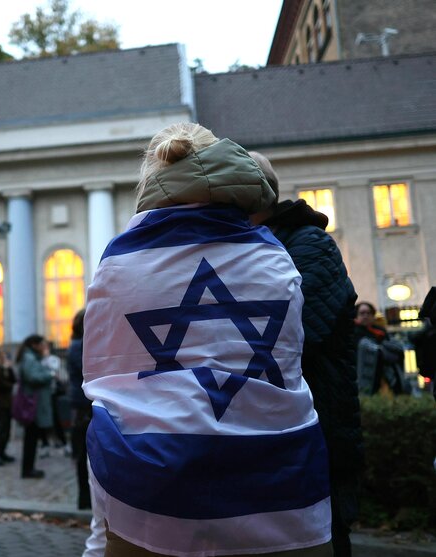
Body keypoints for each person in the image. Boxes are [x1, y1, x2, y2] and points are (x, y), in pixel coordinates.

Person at [83, 123, 332, 556]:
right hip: (281, 490)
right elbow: (285, 366)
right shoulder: (272, 255)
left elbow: (107, 384)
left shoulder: (119, 262)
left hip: (148, 499)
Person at [250, 151, 362, 557]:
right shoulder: (258, 247)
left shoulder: (308, 244)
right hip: (277, 441)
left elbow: (285, 337)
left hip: (317, 436)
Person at [16, 334, 54, 479]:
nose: (44, 347)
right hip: (32, 405)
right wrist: (49, 375)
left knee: (31, 438)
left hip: (33, 404)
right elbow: (32, 377)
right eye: (42, 344)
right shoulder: (30, 358)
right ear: (34, 345)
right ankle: (28, 469)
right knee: (30, 438)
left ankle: (29, 468)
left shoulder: (31, 358)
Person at [353, 301, 407, 395]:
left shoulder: (380, 332)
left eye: (368, 313)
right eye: (362, 313)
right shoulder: (352, 333)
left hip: (386, 378)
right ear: (356, 316)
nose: (365, 316)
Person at [67, 309, 91, 510]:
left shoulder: (78, 344)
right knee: (83, 454)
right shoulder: (78, 346)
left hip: (82, 403)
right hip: (83, 405)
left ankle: (86, 498)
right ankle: (84, 498)